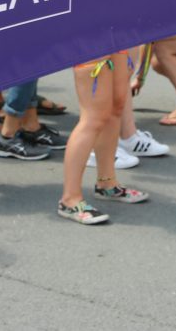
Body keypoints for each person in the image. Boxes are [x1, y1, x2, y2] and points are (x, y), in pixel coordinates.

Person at [57, 50, 147, 225]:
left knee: (115, 108)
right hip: (91, 36)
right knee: (93, 118)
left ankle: (107, 184)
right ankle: (70, 199)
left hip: (115, 33)